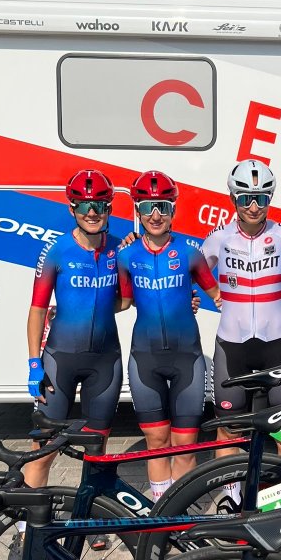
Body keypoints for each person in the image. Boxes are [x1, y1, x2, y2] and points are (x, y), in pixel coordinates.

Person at [20, 168, 129, 560]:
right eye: (84, 205)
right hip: (60, 361)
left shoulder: (119, 248)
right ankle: (26, 530)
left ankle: (89, 520)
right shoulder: (56, 251)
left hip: (105, 361)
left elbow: (124, 301)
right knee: (43, 450)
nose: (92, 211)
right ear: (72, 208)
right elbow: (37, 309)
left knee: (96, 450)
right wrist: (34, 362)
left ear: (109, 207)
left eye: (100, 204)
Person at [117, 171, 221, 502]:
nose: (155, 214)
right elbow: (122, 302)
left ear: (173, 210)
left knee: (185, 445)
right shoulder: (126, 255)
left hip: (186, 360)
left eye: (162, 206)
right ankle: (162, 515)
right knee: (157, 442)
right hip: (145, 360)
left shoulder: (190, 252)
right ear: (138, 210)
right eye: (148, 207)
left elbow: (220, 296)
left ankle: (180, 510)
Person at [201, 159, 281, 457]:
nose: (254, 207)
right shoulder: (219, 238)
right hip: (232, 346)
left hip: (276, 345)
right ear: (234, 198)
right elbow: (187, 270)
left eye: (261, 199)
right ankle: (231, 490)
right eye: (246, 199)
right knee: (228, 434)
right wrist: (207, 294)